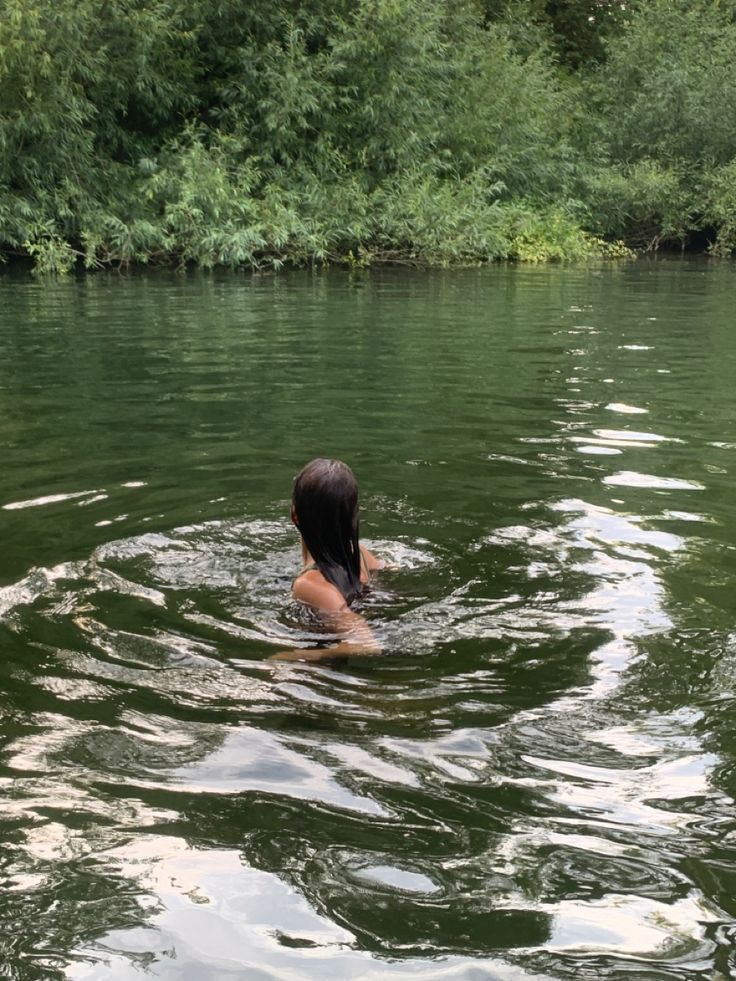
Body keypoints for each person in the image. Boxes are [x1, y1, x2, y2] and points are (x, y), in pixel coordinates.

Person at [271, 458, 384, 661]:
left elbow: (368, 645)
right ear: (354, 516)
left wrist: (294, 656)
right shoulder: (360, 554)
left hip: (331, 670)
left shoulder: (309, 585)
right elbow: (389, 571)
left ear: (294, 515)